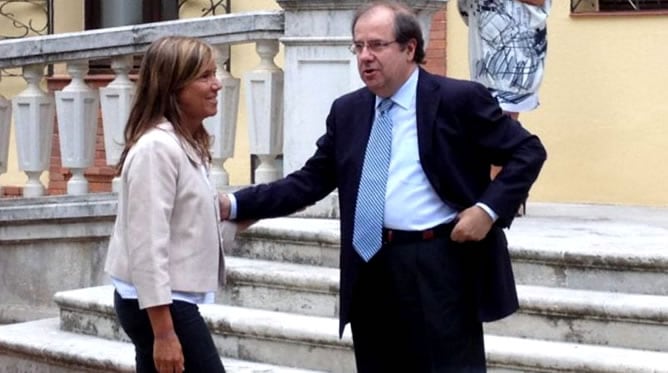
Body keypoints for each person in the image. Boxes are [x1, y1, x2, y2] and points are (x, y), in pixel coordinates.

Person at [220, 1, 546, 372]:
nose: (365, 57)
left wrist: (487, 211)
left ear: (410, 48)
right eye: (358, 47)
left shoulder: (458, 100)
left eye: (376, 45)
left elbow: (527, 150)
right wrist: (235, 204)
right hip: (370, 264)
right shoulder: (348, 111)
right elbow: (309, 181)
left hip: (438, 261)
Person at [104, 36, 226, 373]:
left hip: (165, 300)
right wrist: (164, 333)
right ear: (172, 87)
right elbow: (147, 244)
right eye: (204, 76)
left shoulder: (182, 142)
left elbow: (189, 223)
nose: (216, 85)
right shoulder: (157, 149)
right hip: (161, 304)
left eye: (214, 73)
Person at [458, 0, 550, 212]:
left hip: (515, 46)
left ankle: (501, 194)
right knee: (487, 116)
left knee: (502, 118)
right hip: (486, 45)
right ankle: (499, 192)